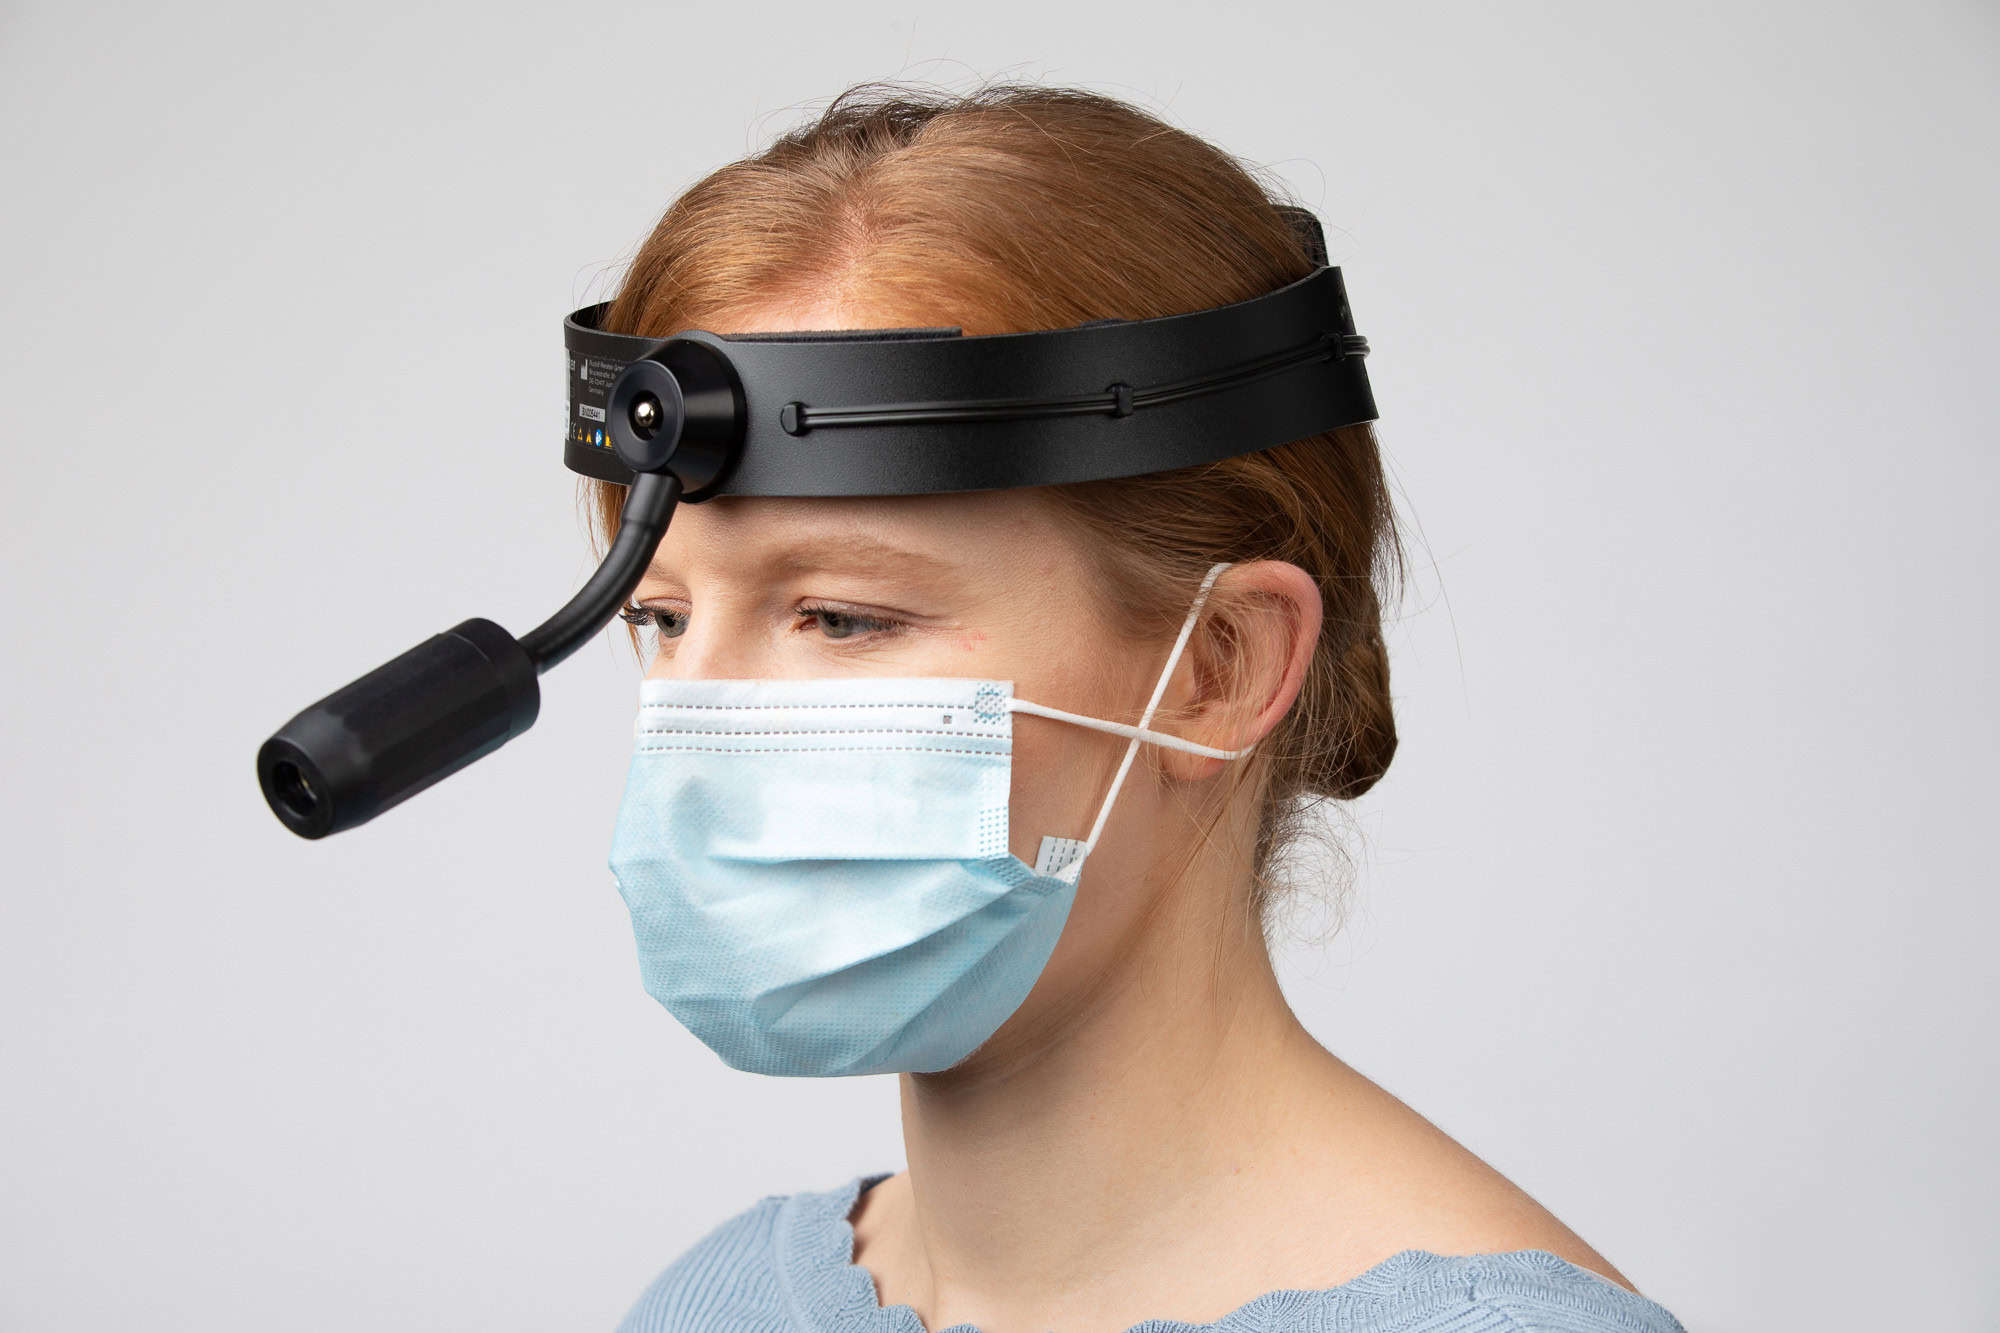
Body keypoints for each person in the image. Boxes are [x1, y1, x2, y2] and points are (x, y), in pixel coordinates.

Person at [589, 79, 1688, 1333]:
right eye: (659, 618)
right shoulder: (721, 1299)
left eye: (843, 617)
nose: (695, 732)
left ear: (1216, 667)